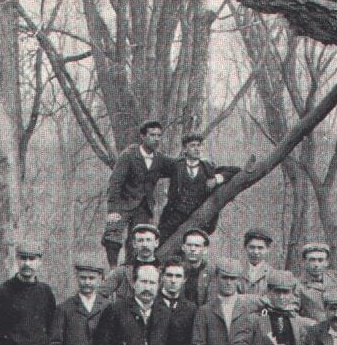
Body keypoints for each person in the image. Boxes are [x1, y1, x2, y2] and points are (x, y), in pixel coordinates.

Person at [103, 120, 175, 268]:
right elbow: (115, 182)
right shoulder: (128, 155)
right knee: (113, 236)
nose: (156, 138)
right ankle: (112, 270)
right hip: (123, 203)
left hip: (144, 207)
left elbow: (178, 166)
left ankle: (130, 271)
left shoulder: (160, 159)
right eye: (152, 135)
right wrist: (113, 210)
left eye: (159, 135)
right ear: (142, 136)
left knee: (138, 242)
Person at [89, 262, 168, 345]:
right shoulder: (116, 310)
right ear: (134, 283)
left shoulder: (164, 313)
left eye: (152, 283)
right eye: (143, 282)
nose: (147, 287)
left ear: (158, 286)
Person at [157, 133, 243, 244]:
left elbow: (235, 170)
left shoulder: (207, 167)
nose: (197, 149)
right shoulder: (176, 166)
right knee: (163, 241)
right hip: (175, 215)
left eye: (199, 145)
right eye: (193, 146)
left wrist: (216, 178)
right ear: (185, 149)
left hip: (196, 215)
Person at [50, 255, 108, 345]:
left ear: (100, 279)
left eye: (91, 278)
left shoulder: (108, 307)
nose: (87, 282)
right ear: (77, 278)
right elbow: (53, 344)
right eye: (83, 278)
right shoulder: (64, 308)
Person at [97, 222, 162, 304]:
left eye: (148, 240)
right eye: (140, 240)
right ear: (134, 244)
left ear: (156, 243)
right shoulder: (122, 271)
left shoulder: (164, 271)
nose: (145, 245)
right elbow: (99, 294)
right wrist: (111, 311)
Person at [295, 242, 337, 321]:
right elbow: (293, 314)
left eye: (320, 260)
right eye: (312, 260)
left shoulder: (335, 278)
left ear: (326, 262)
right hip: (313, 330)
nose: (316, 264)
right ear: (304, 262)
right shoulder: (298, 285)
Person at [178, 229, 215, 305]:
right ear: (183, 247)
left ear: (205, 250)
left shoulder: (212, 273)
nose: (192, 249)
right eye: (189, 245)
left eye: (197, 246)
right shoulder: (176, 270)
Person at [239, 229, 275, 296]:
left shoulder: (273, 274)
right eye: (252, 247)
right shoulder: (237, 271)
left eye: (260, 248)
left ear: (267, 249)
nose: (256, 252)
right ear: (245, 247)